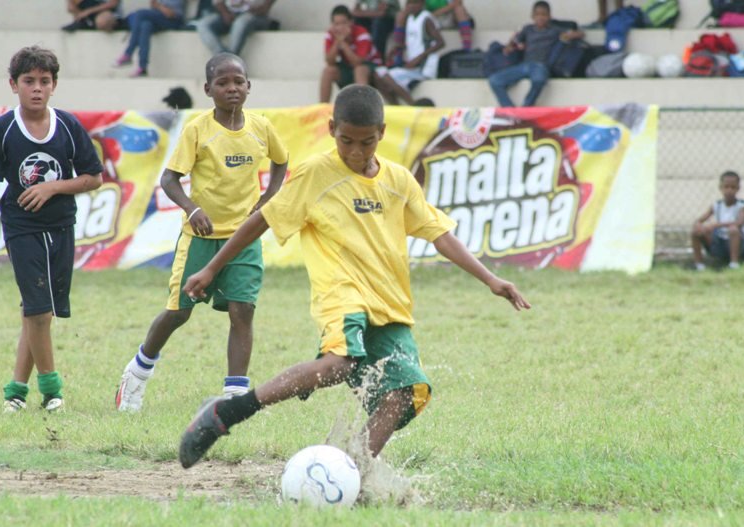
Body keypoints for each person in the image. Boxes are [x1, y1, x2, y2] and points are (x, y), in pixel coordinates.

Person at [176, 84, 531, 468]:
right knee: (338, 364)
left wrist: (490, 279)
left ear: (381, 133)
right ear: (331, 129)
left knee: (405, 392)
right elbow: (261, 219)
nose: (356, 153)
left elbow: (439, 235)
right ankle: (226, 414)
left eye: (367, 142)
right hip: (341, 294)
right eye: (346, 141)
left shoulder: (398, 180)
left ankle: (352, 473)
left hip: (390, 304)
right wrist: (212, 267)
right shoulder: (316, 174)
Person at [115, 53, 289, 412]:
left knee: (243, 311)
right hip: (200, 239)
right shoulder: (198, 129)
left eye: (238, 81)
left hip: (244, 238)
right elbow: (169, 179)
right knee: (179, 312)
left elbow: (281, 161)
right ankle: (137, 372)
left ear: (248, 86)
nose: (232, 89)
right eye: (223, 83)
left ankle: (234, 399)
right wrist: (193, 209)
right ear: (209, 89)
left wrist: (268, 199)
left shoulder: (262, 128)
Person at [0, 46, 103, 413]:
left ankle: (15, 391)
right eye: (28, 81)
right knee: (37, 310)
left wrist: (53, 186)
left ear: (54, 85)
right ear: (13, 85)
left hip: (62, 227)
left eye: (44, 81)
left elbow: (93, 177)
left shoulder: (68, 125)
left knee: (39, 313)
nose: (36, 88)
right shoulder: (2, 129)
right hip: (20, 227)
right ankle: (52, 390)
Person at [487, 1, 584, 108]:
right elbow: (513, 42)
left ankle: (527, 107)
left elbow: (580, 33)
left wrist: (567, 36)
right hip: (524, 65)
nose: (540, 17)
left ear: (549, 16)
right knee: (494, 80)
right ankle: (510, 110)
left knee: (539, 79)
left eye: (544, 14)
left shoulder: (554, 30)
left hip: (540, 66)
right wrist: (511, 45)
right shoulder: (527, 29)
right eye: (537, 14)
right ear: (532, 16)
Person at [375, 0, 444, 106]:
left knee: (384, 75)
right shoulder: (410, 18)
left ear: (422, 4)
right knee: (380, 78)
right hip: (413, 65)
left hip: (423, 67)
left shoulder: (426, 19)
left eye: (415, 3)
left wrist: (419, 58)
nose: (411, 6)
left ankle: (412, 104)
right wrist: (398, 48)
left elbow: (440, 43)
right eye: (409, 3)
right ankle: (397, 106)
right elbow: (417, 41)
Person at [321, 5, 383, 103]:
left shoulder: (361, 33)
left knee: (359, 70)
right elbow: (329, 61)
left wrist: (344, 43)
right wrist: (337, 42)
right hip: (349, 68)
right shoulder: (331, 34)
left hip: (371, 67)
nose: (340, 27)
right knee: (328, 71)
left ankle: (362, 106)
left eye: (344, 23)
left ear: (351, 22)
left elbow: (357, 62)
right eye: (336, 24)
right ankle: (322, 108)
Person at [691, 170, 744, 271]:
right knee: (696, 232)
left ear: (738, 189)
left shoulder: (742, 206)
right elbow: (700, 220)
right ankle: (699, 265)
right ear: (720, 188)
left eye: (733, 187)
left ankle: (734, 264)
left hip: (739, 246)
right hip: (719, 244)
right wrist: (700, 226)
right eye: (726, 187)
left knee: (733, 230)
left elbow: (740, 222)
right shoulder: (717, 205)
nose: (729, 190)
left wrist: (716, 225)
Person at [112, 0, 186, 78]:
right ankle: (142, 67)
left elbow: (171, 14)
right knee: (145, 25)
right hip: (159, 19)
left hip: (173, 22)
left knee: (140, 14)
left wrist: (158, 6)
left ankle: (128, 53)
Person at [195, 0, 277, 56]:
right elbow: (217, 2)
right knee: (203, 24)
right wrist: (225, 13)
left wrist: (264, 7)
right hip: (230, 13)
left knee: (240, 22)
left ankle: (231, 60)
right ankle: (222, 56)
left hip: (255, 15)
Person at [62, 0, 127, 32]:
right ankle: (84, 22)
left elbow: (113, 4)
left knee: (102, 21)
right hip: (89, 14)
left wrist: (88, 11)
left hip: (109, 12)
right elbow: (70, 8)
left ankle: (88, 24)